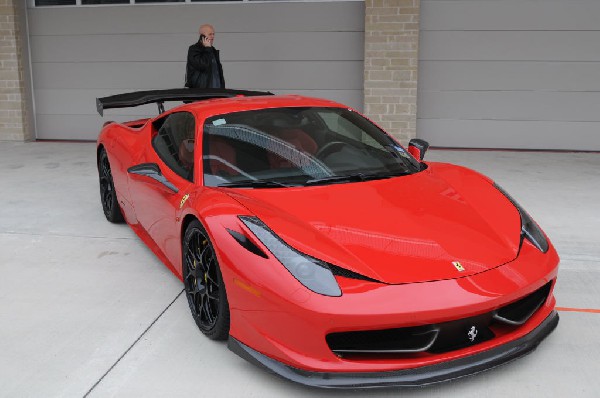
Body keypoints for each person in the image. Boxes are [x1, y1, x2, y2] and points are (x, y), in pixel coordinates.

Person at [185, 24, 225, 89]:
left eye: (213, 34)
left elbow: (219, 73)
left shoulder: (213, 51)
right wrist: (207, 49)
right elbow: (203, 65)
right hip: (202, 92)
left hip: (217, 93)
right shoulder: (194, 49)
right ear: (202, 36)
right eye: (210, 34)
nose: (212, 36)